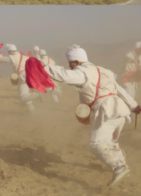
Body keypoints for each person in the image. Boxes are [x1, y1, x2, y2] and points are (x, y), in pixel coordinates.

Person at [42, 45, 141, 187]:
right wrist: (134, 106)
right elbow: (118, 90)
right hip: (120, 111)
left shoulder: (82, 73)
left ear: (76, 61)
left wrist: (42, 68)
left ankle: (119, 167)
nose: (69, 66)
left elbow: (63, 75)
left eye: (70, 63)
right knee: (110, 142)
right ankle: (122, 165)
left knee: (96, 143)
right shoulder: (103, 70)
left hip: (106, 111)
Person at [0, 44, 41, 111]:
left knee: (22, 97)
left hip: (23, 78)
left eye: (8, 52)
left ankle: (39, 95)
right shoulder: (24, 57)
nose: (9, 53)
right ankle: (31, 111)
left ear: (11, 51)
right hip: (30, 76)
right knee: (26, 94)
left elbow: (0, 59)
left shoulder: (12, 57)